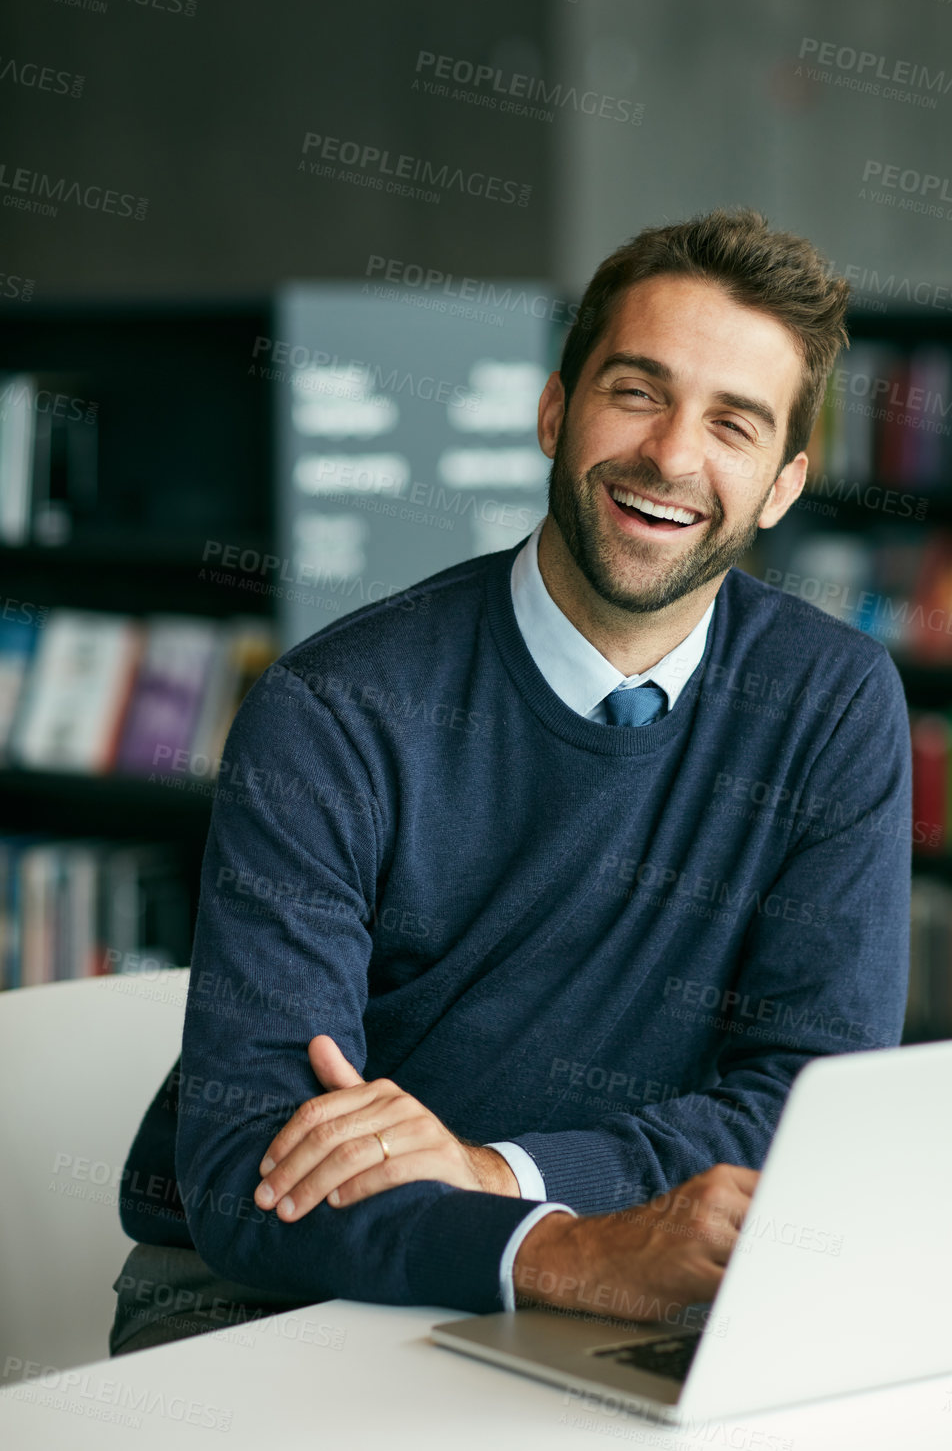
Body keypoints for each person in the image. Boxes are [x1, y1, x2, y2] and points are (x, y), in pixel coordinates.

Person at [110, 207, 911, 1355]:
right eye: (636, 391)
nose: (672, 456)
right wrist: (558, 1246)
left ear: (782, 484)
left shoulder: (831, 703)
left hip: (624, 1277)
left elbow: (812, 1104)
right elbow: (250, 1167)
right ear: (553, 410)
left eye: (731, 424)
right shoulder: (333, 707)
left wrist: (496, 1173)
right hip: (273, 1294)